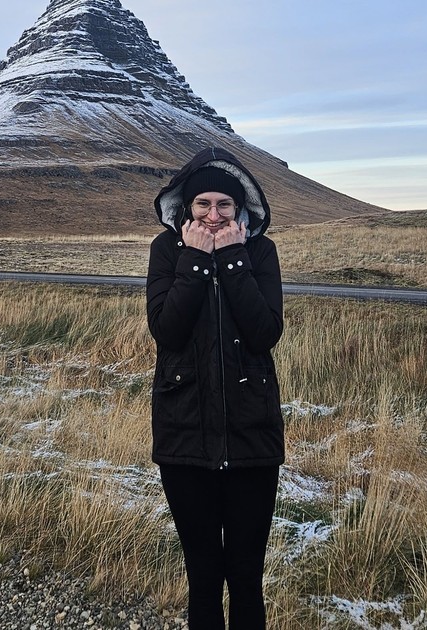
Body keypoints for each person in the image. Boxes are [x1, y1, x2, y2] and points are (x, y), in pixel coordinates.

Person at [146, 146, 285, 629]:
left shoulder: (260, 251)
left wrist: (230, 256)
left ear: (241, 207)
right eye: (202, 204)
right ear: (186, 209)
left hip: (252, 434)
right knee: (203, 573)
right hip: (185, 433)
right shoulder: (166, 251)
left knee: (246, 573)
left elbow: (265, 330)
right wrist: (196, 261)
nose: (213, 214)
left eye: (224, 205)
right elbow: (167, 330)